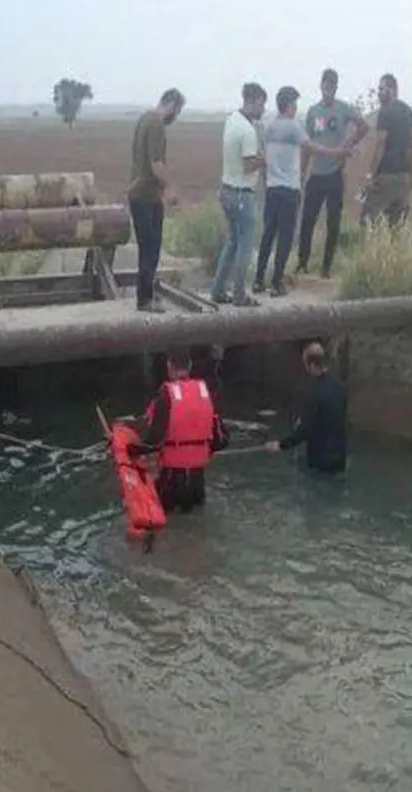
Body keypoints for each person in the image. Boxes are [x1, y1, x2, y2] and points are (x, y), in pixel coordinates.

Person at [253, 86, 351, 297]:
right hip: (289, 189)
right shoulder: (294, 127)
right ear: (289, 105)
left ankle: (258, 280)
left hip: (271, 188)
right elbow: (313, 148)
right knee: (285, 238)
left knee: (268, 235)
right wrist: (339, 152)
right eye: (295, 104)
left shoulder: (268, 127)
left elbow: (263, 158)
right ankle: (277, 283)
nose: (296, 108)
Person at [129, 349, 230, 515]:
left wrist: (131, 450)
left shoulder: (166, 395)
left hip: (172, 477)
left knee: (167, 521)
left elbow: (155, 441)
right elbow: (222, 439)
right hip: (198, 479)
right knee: (196, 518)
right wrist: (201, 449)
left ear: (169, 367)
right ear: (190, 367)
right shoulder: (204, 392)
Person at [295, 68, 369, 279]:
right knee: (307, 220)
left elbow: (364, 126)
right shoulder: (313, 112)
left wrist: (349, 142)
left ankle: (326, 268)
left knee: (333, 223)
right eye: (326, 86)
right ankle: (302, 263)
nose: (329, 90)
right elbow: (306, 146)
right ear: (321, 86)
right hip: (316, 175)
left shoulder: (343, 109)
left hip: (335, 174)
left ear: (336, 87)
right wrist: (302, 172)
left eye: (332, 86)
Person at [127, 88, 186, 314]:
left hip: (138, 193)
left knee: (146, 248)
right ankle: (145, 300)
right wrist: (170, 186)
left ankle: (145, 296)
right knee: (151, 249)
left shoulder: (144, 118)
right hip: (147, 196)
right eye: (177, 110)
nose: (176, 116)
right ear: (170, 103)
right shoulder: (157, 125)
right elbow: (156, 164)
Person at [211, 82, 267, 307]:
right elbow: (248, 164)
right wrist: (263, 160)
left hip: (226, 190)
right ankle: (239, 294)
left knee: (232, 243)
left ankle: (217, 289)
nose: (263, 109)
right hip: (243, 194)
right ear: (252, 101)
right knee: (244, 246)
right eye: (262, 104)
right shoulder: (248, 131)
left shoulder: (231, 120)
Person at [265, 343, 347, 473]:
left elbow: (304, 430)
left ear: (313, 365)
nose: (306, 370)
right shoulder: (340, 386)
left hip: (320, 460)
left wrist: (280, 445)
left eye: (306, 366)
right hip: (340, 456)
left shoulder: (313, 393)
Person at [359, 73, 412, 231]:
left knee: (368, 220)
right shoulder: (408, 111)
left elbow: (381, 144)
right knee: (396, 226)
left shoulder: (385, 112)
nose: (379, 93)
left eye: (382, 89)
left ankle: (371, 254)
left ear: (392, 90)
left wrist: (371, 175)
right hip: (404, 176)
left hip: (387, 176)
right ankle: (392, 255)